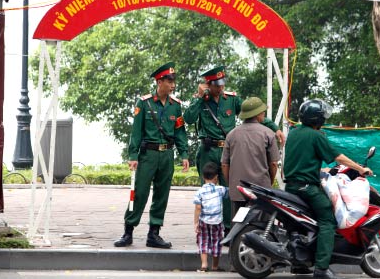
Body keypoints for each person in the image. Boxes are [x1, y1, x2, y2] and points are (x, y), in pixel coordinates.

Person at [183, 66, 285, 231]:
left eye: (222, 84)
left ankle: (229, 229)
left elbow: (253, 113)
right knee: (208, 190)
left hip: (228, 151)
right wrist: (200, 98)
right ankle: (208, 228)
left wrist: (275, 128)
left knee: (231, 191)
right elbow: (188, 119)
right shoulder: (201, 100)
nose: (221, 88)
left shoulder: (231, 99)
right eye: (216, 85)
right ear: (208, 84)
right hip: (208, 151)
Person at [283, 99, 372, 279]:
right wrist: (361, 169)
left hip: (291, 187)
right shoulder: (316, 136)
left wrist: (321, 169)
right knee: (327, 221)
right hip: (307, 188)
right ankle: (321, 268)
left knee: (302, 223)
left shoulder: (293, 132)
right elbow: (338, 157)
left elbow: (304, 158)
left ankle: (299, 265)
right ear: (317, 119)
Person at [114, 62, 189, 249]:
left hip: (167, 156)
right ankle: (128, 231)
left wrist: (184, 154)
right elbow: (136, 131)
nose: (173, 85)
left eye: (174, 81)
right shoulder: (144, 103)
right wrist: (133, 155)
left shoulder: (176, 106)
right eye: (169, 81)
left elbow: (180, 131)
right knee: (138, 193)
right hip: (148, 155)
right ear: (159, 81)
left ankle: (154, 234)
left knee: (162, 195)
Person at [221, 97, 280, 221]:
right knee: (262, 226)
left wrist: (231, 183)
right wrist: (268, 183)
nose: (264, 114)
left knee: (238, 224)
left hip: (238, 191)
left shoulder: (231, 135)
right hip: (261, 191)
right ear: (258, 114)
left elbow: (225, 165)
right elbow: (274, 164)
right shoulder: (268, 133)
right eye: (262, 111)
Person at [193, 162, 229, 272]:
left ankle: (204, 264)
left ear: (203, 177)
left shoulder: (199, 192)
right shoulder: (220, 189)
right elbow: (230, 192)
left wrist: (195, 222)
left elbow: (198, 208)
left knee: (203, 241)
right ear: (217, 177)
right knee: (216, 243)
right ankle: (215, 266)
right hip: (217, 222)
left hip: (204, 221)